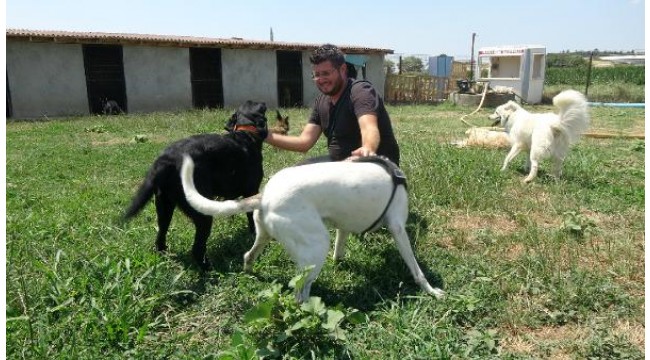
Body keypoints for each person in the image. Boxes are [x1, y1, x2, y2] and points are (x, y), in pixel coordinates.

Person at [265, 44, 400, 166]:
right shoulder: (321, 102)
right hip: (341, 167)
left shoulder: (360, 92)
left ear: (342, 69)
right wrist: (262, 135)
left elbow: (369, 127)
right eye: (316, 75)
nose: (321, 79)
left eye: (326, 73)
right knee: (295, 174)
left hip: (375, 168)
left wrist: (367, 149)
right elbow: (304, 142)